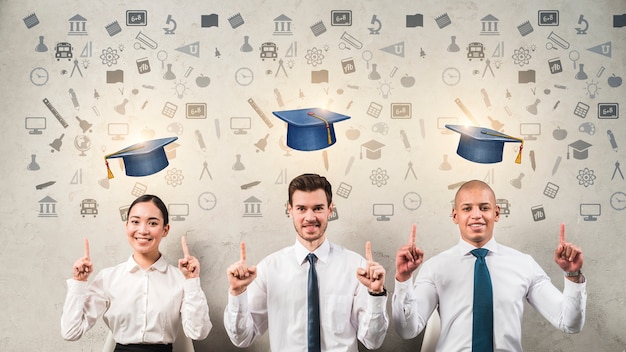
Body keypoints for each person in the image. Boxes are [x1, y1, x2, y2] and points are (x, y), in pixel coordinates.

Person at [393, 180, 586, 352]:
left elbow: (569, 323)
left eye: (484, 208)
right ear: (455, 215)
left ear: (496, 213)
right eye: (467, 208)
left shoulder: (523, 264)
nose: (476, 215)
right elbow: (407, 330)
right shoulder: (435, 267)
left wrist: (572, 274)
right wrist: (403, 279)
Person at [224, 173, 389, 351]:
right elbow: (242, 339)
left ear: (330, 210)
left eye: (318, 208)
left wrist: (376, 294)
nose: (310, 217)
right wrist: (237, 293)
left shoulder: (356, 267)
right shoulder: (269, 269)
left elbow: (373, 341)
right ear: (290, 210)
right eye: (301, 208)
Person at [61, 194, 212, 351]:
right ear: (127, 226)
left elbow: (198, 333)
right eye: (135, 222)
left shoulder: (180, 279)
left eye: (152, 223)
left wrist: (192, 281)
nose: (143, 230)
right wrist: (79, 282)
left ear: (165, 229)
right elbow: (71, 332)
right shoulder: (108, 278)